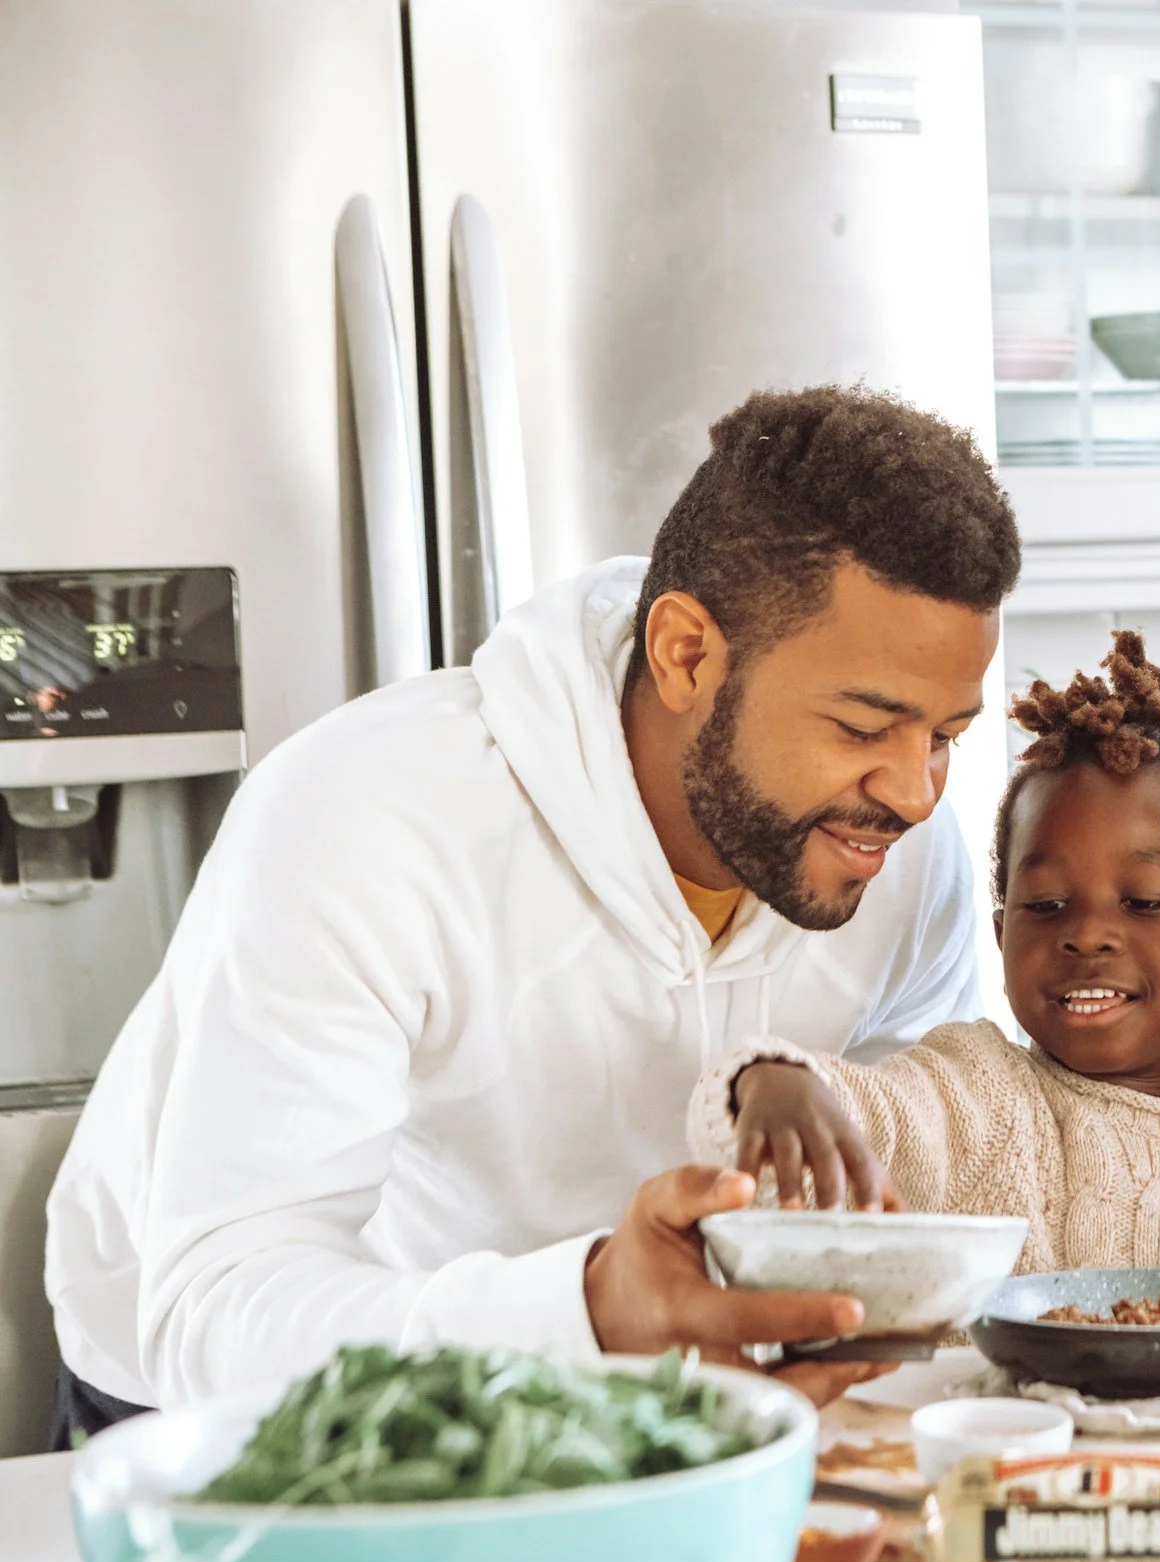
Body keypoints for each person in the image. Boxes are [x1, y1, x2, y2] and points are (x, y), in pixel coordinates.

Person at [45, 385, 1019, 1443]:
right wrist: (590, 1307)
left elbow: (897, 1155)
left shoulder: (895, 857)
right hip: (231, 1417)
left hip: (633, 1400)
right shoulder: (366, 819)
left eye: (947, 735)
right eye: (863, 725)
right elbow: (214, 1310)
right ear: (686, 654)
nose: (918, 792)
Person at [689, 632, 1160, 1277]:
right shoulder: (976, 1097)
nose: (1088, 935)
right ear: (1002, 930)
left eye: (1145, 902)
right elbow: (858, 1115)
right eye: (1045, 905)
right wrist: (770, 1082)